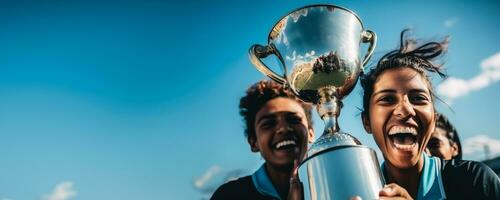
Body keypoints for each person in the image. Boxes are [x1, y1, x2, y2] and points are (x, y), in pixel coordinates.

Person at [360, 29, 500, 199]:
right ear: (367, 121)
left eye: (418, 98)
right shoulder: (362, 192)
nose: (405, 110)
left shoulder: (475, 180)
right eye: (387, 99)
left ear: (433, 119)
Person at [211, 80, 314, 200]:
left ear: (311, 133)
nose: (284, 128)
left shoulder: (332, 182)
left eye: (294, 119)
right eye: (269, 123)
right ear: (253, 142)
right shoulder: (229, 195)